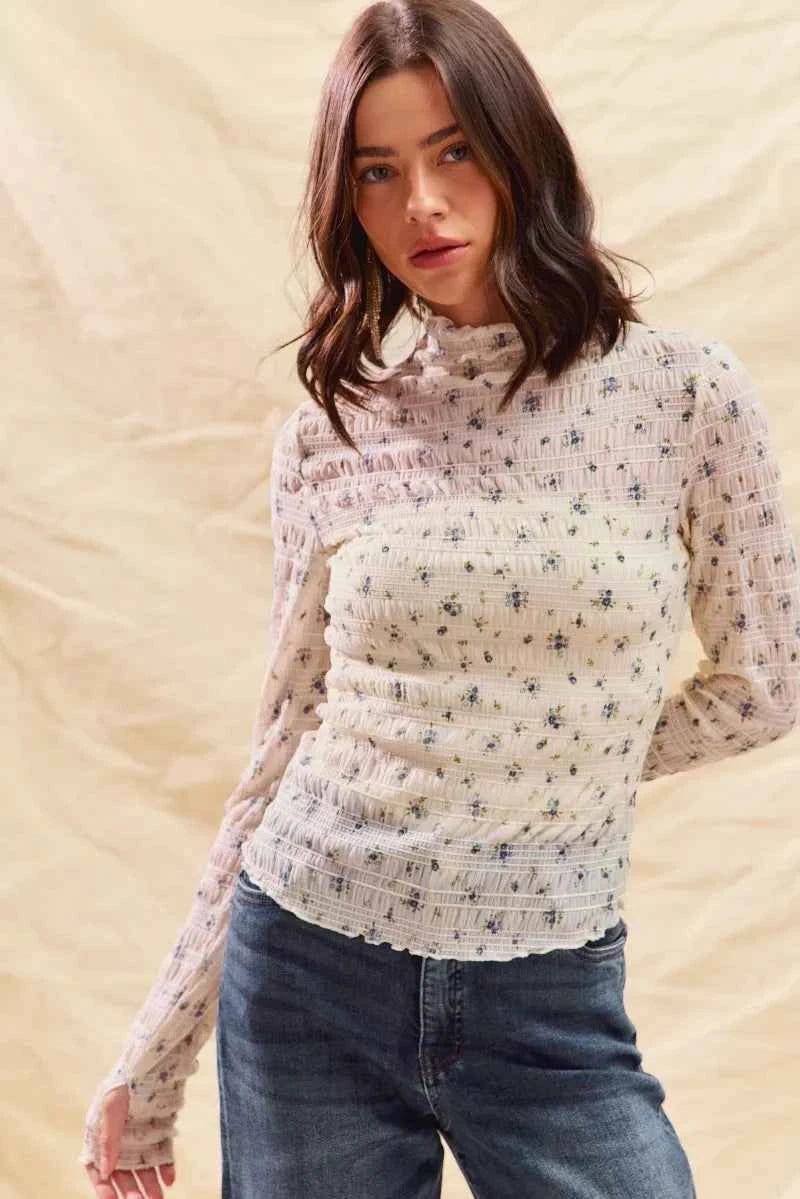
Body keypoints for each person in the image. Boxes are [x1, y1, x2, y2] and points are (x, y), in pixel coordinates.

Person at [80, 2, 800, 1196]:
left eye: (453, 149)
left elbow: (768, 682)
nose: (420, 201)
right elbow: (284, 742)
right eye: (376, 170)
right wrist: (154, 1051)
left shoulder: (682, 396)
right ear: (346, 202)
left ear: (520, 151)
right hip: (306, 964)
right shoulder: (331, 436)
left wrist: (552, 756)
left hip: (548, 992)